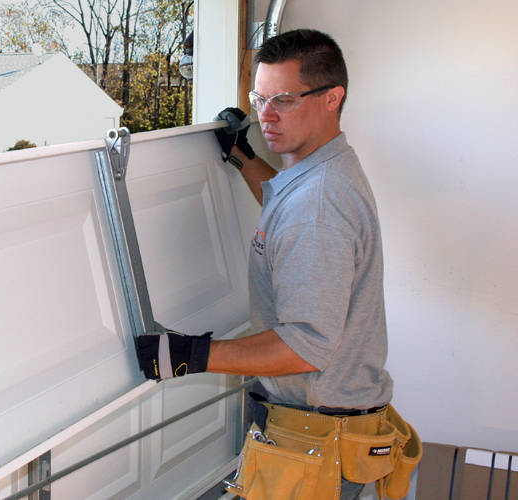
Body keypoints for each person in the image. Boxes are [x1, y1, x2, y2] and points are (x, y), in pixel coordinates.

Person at [136, 29, 402, 499]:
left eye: (283, 99)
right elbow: (286, 209)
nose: (266, 115)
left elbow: (306, 346)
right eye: (260, 97)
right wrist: (242, 157)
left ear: (331, 98)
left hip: (317, 446)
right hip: (323, 433)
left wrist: (191, 356)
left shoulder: (320, 204)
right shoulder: (322, 169)